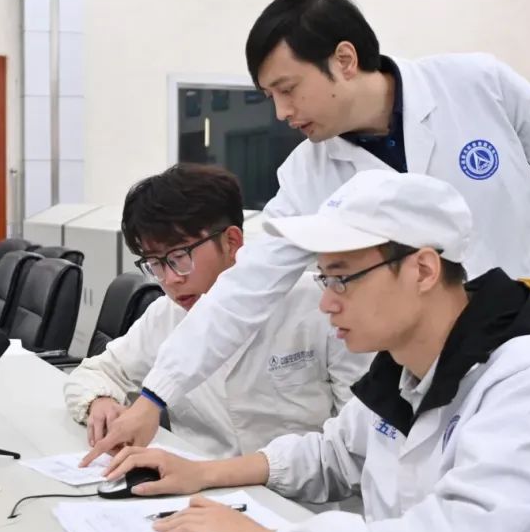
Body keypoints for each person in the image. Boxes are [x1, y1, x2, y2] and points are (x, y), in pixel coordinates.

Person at [83, 0, 530, 462]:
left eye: (289, 89)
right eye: (270, 96)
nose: (282, 112)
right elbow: (243, 290)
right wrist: (157, 395)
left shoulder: (474, 84)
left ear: (344, 59)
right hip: (443, 374)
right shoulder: (307, 175)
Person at [101, 170, 530, 532]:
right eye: (323, 279)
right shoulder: (406, 368)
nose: (326, 302)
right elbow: (333, 454)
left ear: (423, 270)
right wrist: (203, 473)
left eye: (342, 278)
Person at [63, 164, 371, 459]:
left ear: (232, 241)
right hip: (196, 485)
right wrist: (99, 402)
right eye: (155, 263)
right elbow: (94, 373)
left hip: (303, 493)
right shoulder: (165, 316)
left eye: (179, 257)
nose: (170, 279)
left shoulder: (321, 306)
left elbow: (360, 440)